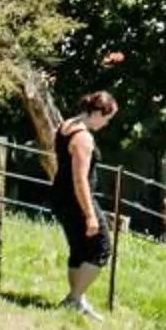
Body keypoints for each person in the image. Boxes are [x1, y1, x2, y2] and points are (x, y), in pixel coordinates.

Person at [45, 91, 118, 318]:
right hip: (76, 199)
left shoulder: (66, 125)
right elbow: (80, 180)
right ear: (96, 112)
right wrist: (90, 215)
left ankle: (78, 299)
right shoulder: (83, 138)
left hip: (61, 195)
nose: (106, 124)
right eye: (106, 118)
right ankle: (73, 298)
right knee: (102, 248)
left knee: (78, 249)